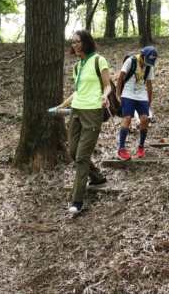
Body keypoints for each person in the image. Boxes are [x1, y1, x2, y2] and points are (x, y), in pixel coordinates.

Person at [53, 29, 110, 214]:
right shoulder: (77, 67)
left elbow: (107, 85)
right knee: (74, 151)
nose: (75, 45)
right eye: (73, 42)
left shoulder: (98, 60)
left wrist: (104, 97)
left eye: (78, 42)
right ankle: (98, 178)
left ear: (86, 42)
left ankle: (77, 200)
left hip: (93, 110)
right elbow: (77, 91)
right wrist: (61, 105)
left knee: (82, 156)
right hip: (76, 110)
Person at [115, 46, 158, 161]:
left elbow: (149, 84)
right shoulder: (131, 61)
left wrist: (149, 99)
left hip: (141, 94)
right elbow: (120, 77)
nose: (146, 64)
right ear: (142, 55)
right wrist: (118, 94)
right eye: (145, 60)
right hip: (128, 93)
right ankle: (121, 149)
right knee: (127, 118)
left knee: (144, 119)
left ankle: (141, 146)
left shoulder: (149, 66)